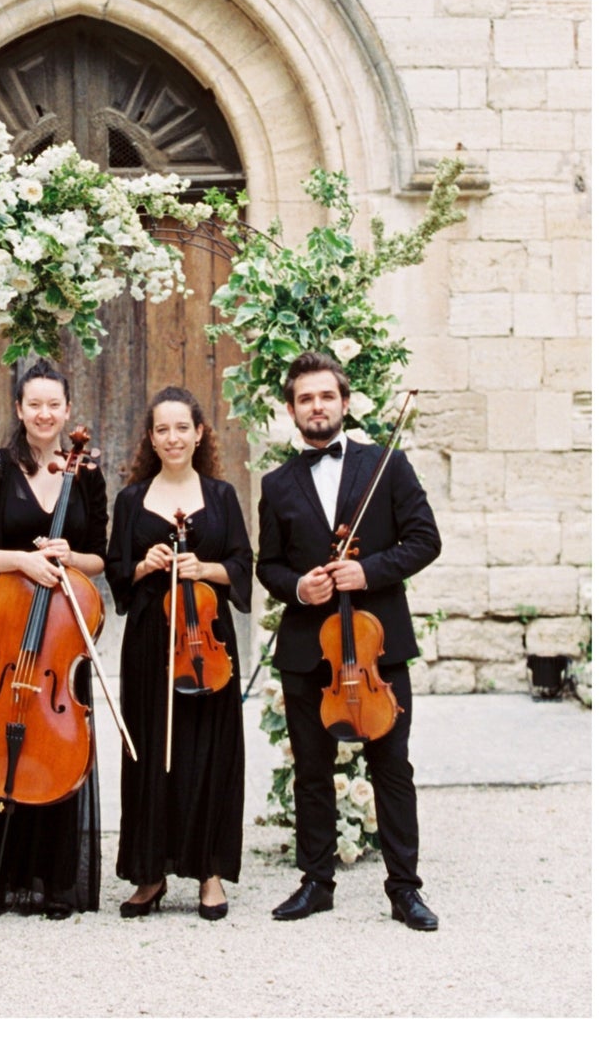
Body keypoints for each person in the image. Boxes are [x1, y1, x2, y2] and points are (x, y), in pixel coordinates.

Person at [256, 352, 442, 931]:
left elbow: (425, 540)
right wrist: (299, 588)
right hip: (310, 649)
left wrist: (370, 571)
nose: (317, 407)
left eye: (326, 396)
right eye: (305, 398)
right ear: (292, 410)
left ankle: (404, 888)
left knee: (392, 767)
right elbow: (269, 566)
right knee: (312, 769)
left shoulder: (386, 465)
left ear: (344, 402)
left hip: (377, 647)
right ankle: (316, 882)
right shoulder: (276, 483)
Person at [0, 357, 108, 920]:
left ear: (66, 410)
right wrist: (24, 561)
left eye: (53, 404)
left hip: (58, 638)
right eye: (33, 404)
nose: (44, 413)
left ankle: (52, 883)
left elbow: (100, 559)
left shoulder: (87, 473)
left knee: (55, 747)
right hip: (4, 639)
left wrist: (68, 557)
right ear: (19, 409)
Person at [106, 386, 252, 921]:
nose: (173, 438)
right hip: (150, 644)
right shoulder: (130, 500)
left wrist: (203, 569)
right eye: (162, 429)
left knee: (210, 753)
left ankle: (209, 873)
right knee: (149, 755)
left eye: (182, 428)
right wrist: (144, 565)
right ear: (151, 437)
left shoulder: (221, 496)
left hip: (208, 644)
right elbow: (116, 573)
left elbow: (242, 564)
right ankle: (149, 874)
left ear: (199, 433)